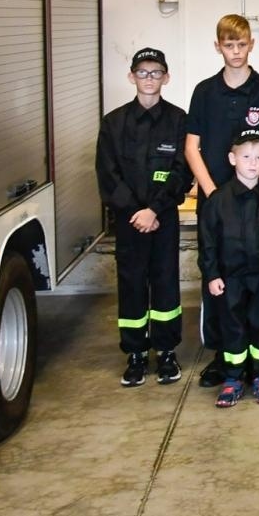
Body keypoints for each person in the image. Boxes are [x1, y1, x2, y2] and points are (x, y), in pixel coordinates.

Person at [185, 15, 259, 387]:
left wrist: (257, 186)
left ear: (251, 46)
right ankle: (221, 356)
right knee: (218, 281)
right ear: (218, 47)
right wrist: (213, 193)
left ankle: (258, 360)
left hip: (258, 205)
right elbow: (191, 147)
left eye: (241, 45)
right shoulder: (204, 92)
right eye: (228, 45)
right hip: (217, 203)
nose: (235, 52)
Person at [95, 47, 192, 387]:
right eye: (143, 72)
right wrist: (136, 212)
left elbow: (182, 171)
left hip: (163, 217)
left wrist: (154, 209)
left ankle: (166, 352)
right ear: (131, 77)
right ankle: (135, 354)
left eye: (156, 72)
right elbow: (107, 174)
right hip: (129, 221)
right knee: (132, 284)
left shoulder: (179, 120)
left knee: (165, 283)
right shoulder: (114, 122)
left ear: (166, 77)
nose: (149, 78)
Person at [198, 128, 259, 407]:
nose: (253, 163)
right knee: (233, 327)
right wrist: (212, 274)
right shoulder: (217, 200)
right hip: (230, 279)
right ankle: (233, 378)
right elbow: (208, 242)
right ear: (232, 158)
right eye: (246, 156)